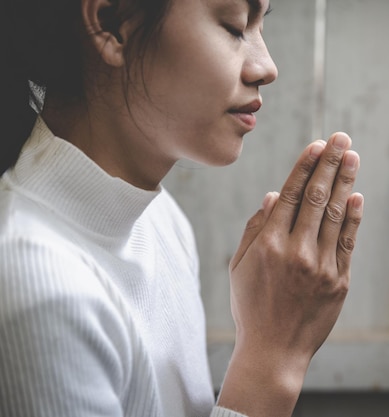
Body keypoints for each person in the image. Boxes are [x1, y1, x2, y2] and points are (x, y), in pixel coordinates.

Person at [0, 0, 364, 416]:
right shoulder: (36, 289)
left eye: (261, 24)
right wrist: (273, 360)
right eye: (233, 27)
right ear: (111, 24)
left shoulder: (161, 220)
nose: (266, 66)